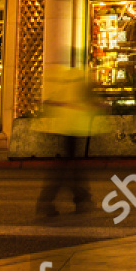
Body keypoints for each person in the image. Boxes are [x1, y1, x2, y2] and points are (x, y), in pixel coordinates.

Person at [35, 67, 102, 218]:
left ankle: (80, 200)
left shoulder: (65, 79)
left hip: (63, 126)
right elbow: (89, 101)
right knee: (68, 167)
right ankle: (55, 202)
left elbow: (52, 102)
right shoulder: (81, 80)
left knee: (70, 165)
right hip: (75, 126)